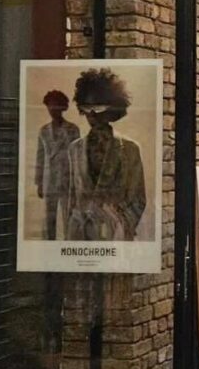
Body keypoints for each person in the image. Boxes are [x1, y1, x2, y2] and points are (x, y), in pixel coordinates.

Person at [65, 69, 147, 241]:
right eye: (87, 107)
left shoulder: (130, 149)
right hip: (79, 240)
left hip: (116, 240)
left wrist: (119, 227)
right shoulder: (74, 149)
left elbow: (138, 200)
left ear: (111, 108)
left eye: (98, 107)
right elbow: (71, 199)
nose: (92, 114)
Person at [34, 89, 80, 240]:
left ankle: (68, 247)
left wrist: (78, 183)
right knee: (49, 221)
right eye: (50, 106)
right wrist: (39, 183)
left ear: (63, 107)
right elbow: (40, 157)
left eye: (56, 105)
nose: (53, 109)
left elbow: (77, 157)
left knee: (69, 218)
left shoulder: (73, 130)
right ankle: (49, 248)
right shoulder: (43, 131)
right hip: (49, 182)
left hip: (67, 181)